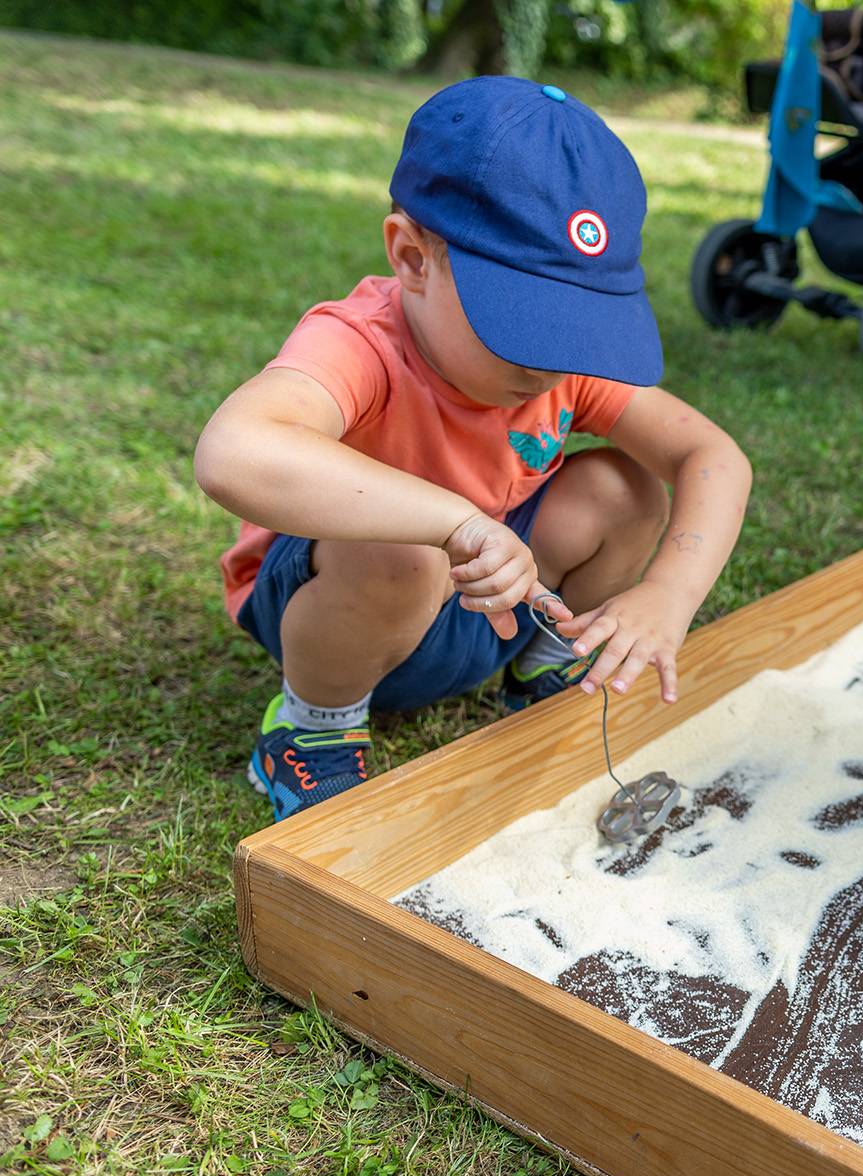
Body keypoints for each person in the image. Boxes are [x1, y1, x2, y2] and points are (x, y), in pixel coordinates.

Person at [194, 78, 752, 821]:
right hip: (343, 610)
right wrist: (452, 521)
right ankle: (311, 730)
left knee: (624, 489)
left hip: (495, 604)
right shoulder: (362, 344)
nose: (552, 365)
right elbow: (232, 451)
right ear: (413, 259)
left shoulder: (559, 367)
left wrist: (669, 595)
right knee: (403, 549)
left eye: (576, 327)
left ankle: (547, 669)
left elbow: (713, 457)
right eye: (522, 326)